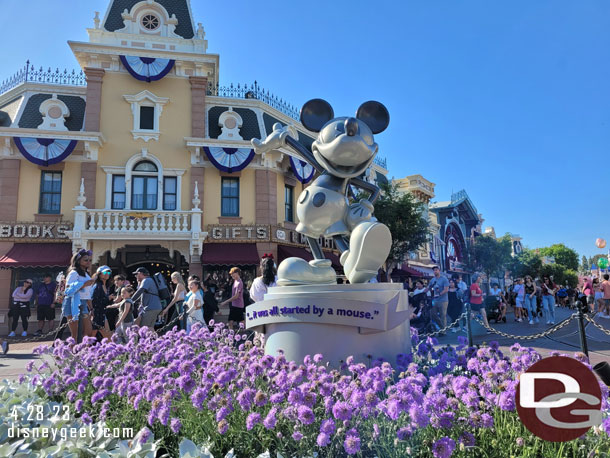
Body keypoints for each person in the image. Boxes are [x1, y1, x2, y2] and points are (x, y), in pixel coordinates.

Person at [63, 249, 96, 340]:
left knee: (88, 331)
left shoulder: (86, 274)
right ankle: (73, 351)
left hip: (83, 303)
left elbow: (87, 294)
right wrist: (84, 284)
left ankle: (82, 350)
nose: (88, 262)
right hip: (72, 302)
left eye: (90, 260)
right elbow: (68, 289)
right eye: (86, 260)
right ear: (78, 261)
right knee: (75, 334)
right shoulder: (74, 273)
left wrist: (91, 308)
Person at [424, 266, 449, 335]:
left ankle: (443, 331)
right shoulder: (432, 280)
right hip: (435, 300)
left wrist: (440, 294)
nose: (435, 271)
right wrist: (423, 292)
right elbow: (429, 287)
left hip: (443, 300)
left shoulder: (444, 279)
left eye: (436, 270)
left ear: (439, 271)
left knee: (443, 315)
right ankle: (442, 327)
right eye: (434, 270)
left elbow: (446, 289)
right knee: (433, 314)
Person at [90, 266, 113, 339]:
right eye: (105, 272)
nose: (107, 274)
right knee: (92, 335)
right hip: (97, 314)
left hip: (102, 313)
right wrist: (108, 298)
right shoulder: (97, 286)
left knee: (106, 335)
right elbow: (94, 300)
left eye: (108, 272)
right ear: (99, 274)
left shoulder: (106, 286)